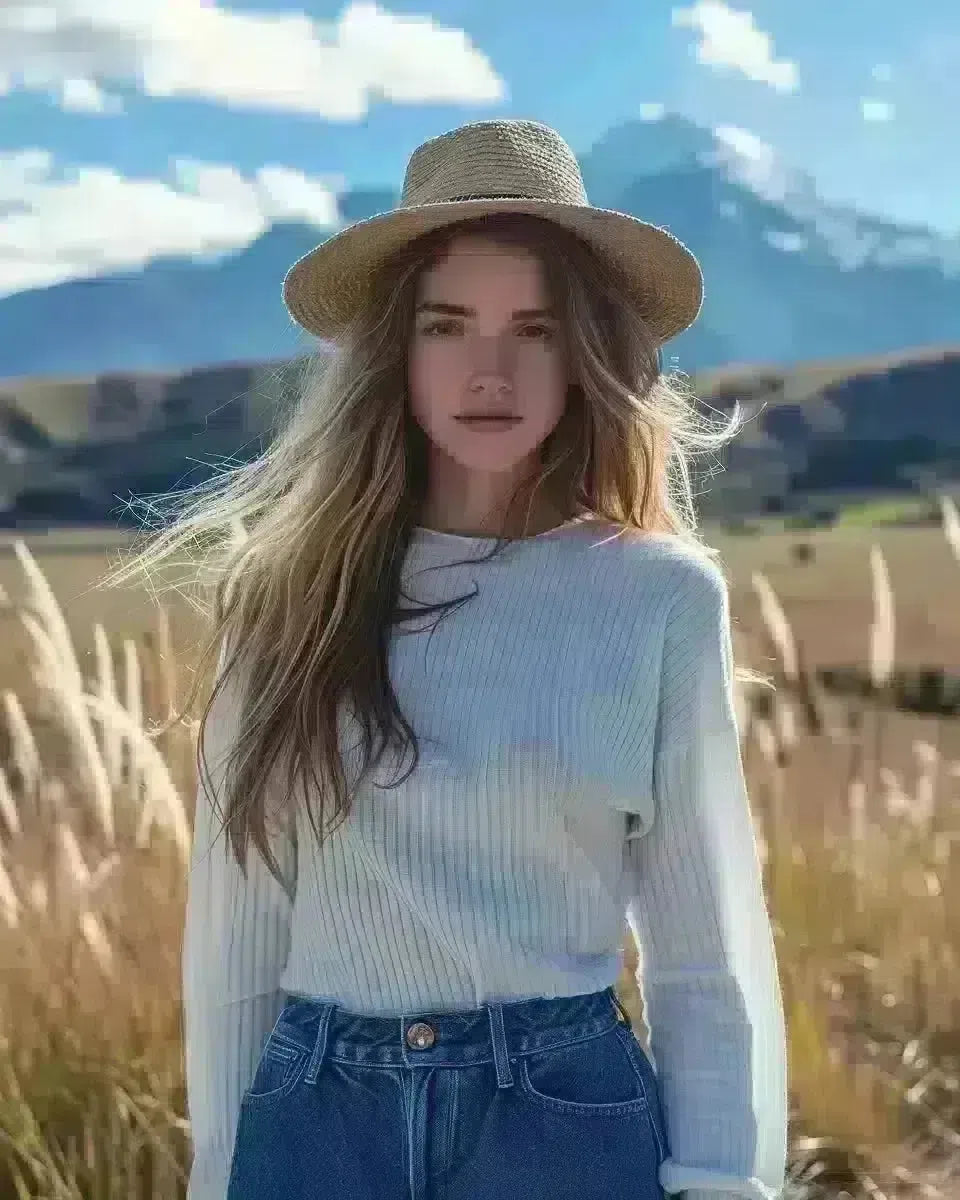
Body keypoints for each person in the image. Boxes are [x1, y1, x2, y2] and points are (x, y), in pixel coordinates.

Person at [137, 118, 787, 1198]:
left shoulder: (660, 600)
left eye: (534, 330)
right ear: (397, 352)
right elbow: (237, 941)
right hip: (315, 1123)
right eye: (449, 326)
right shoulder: (287, 599)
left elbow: (701, 953)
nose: (490, 369)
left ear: (587, 356)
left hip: (561, 1118)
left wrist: (721, 1182)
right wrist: (218, 1174)